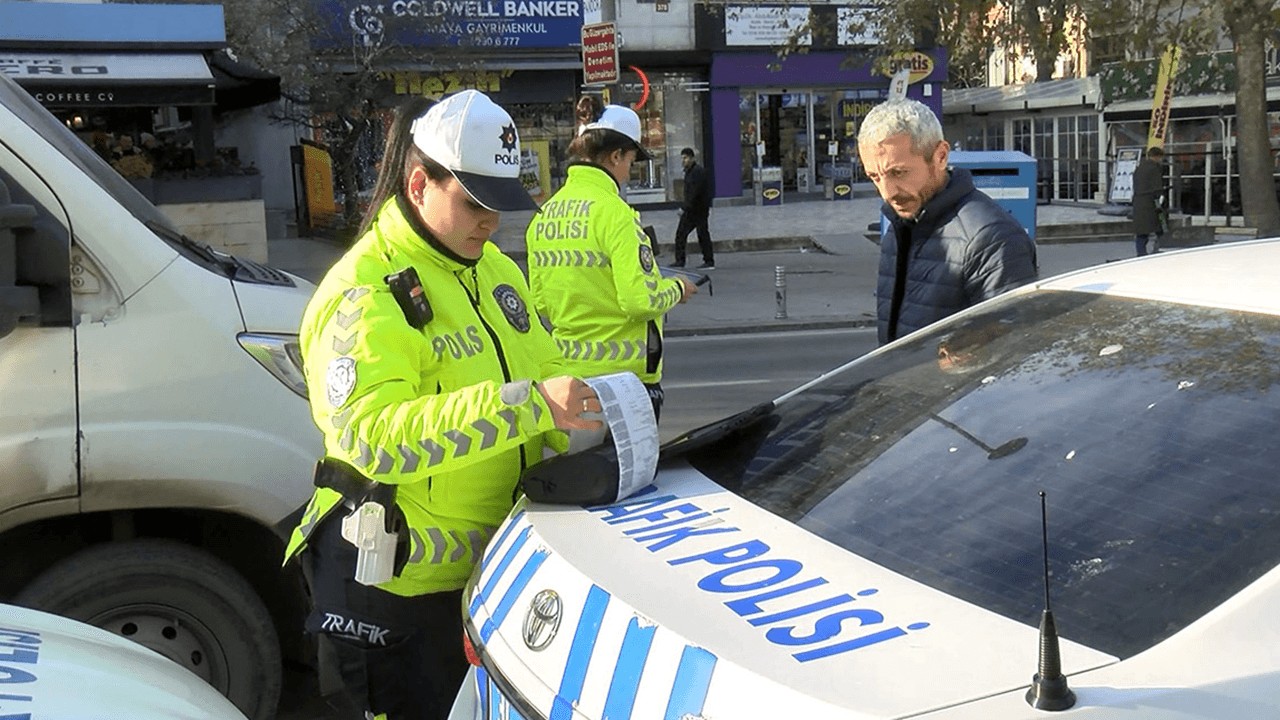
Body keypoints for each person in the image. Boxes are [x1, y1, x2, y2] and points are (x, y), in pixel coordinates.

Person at [282, 90, 602, 720]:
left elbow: (546, 370)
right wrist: (531, 407)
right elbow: (370, 437)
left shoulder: (492, 270)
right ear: (420, 182)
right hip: (391, 595)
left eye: (501, 204)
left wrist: (593, 419)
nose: (491, 221)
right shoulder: (363, 292)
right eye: (475, 203)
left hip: (486, 577)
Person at [526, 96, 697, 421]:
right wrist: (676, 288)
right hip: (625, 384)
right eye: (630, 161)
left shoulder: (543, 216)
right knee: (632, 471)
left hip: (569, 381)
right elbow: (639, 301)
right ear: (616, 155)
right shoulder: (616, 215)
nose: (629, 173)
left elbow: (542, 304)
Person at [857, 99, 1037, 346]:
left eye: (898, 173)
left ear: (940, 156)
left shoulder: (991, 237)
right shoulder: (902, 224)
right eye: (874, 177)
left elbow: (1013, 348)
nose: (887, 192)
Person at [671, 146, 715, 269]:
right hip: (693, 209)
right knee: (682, 234)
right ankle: (680, 260)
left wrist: (684, 208)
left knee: (701, 234)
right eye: (682, 158)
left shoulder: (697, 172)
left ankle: (708, 261)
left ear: (691, 158)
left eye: (685, 158)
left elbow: (694, 193)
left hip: (698, 210)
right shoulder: (689, 172)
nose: (683, 161)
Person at [1132, 146, 1166, 257]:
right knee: (1160, 227)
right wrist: (1161, 201)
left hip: (1138, 201)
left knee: (1141, 232)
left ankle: (1140, 253)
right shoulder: (1155, 168)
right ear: (1157, 157)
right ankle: (1158, 249)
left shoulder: (1139, 168)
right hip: (1150, 203)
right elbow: (1157, 188)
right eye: (1160, 158)